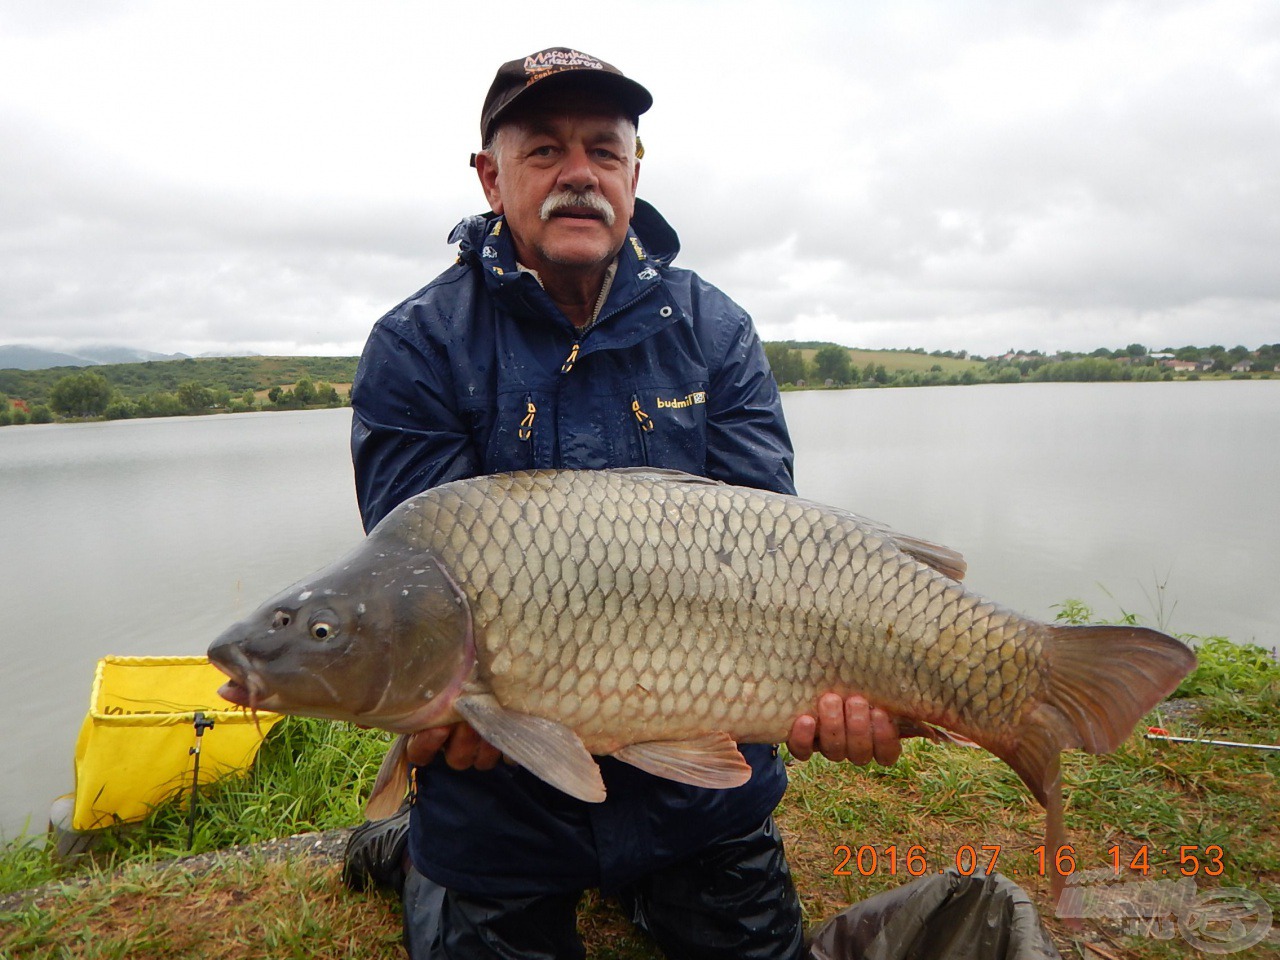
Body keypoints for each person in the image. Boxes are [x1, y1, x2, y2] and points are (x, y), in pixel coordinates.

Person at [345, 47, 902, 959]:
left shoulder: (712, 330)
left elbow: (778, 552)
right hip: (503, 795)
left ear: (635, 174)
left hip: (700, 783)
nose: (579, 176)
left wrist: (839, 679)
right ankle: (423, 852)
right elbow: (417, 582)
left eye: (604, 151)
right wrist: (447, 712)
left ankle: (638, 871)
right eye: (545, 152)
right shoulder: (416, 347)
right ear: (491, 178)